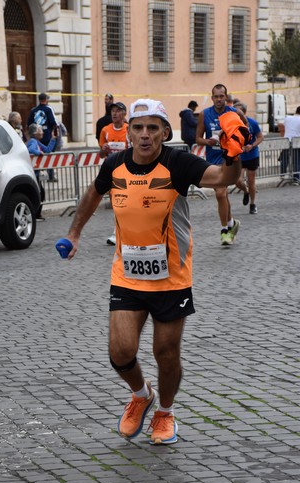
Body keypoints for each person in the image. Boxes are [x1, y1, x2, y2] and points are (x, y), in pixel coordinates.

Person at [59, 98, 248, 445]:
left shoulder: (177, 163)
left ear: (164, 132)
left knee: (166, 352)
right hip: (127, 274)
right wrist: (74, 233)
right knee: (120, 351)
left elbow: (223, 177)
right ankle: (141, 395)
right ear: (128, 131)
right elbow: (92, 193)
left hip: (172, 276)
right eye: (138, 127)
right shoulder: (115, 165)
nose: (145, 135)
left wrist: (233, 155)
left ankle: (165, 411)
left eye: (152, 128)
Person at [196, 83, 247, 246]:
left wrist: (240, 142)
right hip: (213, 159)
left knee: (220, 193)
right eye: (216, 96)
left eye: (221, 96)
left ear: (226, 96)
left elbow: (246, 130)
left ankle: (225, 230)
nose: (219, 99)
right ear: (212, 98)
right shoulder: (205, 114)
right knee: (222, 194)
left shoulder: (235, 112)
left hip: (230, 158)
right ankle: (231, 223)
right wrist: (208, 141)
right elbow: (197, 138)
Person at [98, 101, 129, 246]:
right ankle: (117, 232)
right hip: (112, 172)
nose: (114, 113)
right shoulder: (105, 130)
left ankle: (128, 230)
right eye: (113, 111)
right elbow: (101, 155)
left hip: (129, 171)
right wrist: (104, 149)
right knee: (117, 203)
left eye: (118, 111)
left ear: (124, 114)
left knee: (129, 203)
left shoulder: (129, 130)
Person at [233, 102, 263, 214]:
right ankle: (245, 191)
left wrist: (252, 145)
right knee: (237, 180)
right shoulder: (233, 124)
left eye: (237, 111)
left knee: (251, 181)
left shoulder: (252, 123)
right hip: (239, 156)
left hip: (252, 155)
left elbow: (260, 137)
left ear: (243, 112)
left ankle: (252, 204)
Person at [26, 123, 57, 221]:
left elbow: (47, 150)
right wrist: (38, 153)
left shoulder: (37, 142)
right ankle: (35, 214)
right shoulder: (32, 141)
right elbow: (30, 149)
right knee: (39, 193)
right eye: (40, 130)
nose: (42, 132)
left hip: (37, 174)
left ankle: (37, 214)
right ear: (35, 133)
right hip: (34, 174)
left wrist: (53, 139)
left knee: (41, 193)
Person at [27, 92, 58, 182]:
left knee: (37, 156)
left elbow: (29, 123)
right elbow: (54, 122)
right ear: (46, 100)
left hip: (36, 137)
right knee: (48, 155)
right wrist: (55, 134)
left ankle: (37, 174)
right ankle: (51, 176)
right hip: (47, 135)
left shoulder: (33, 110)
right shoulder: (48, 109)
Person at [281, 106, 300, 182]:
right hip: (296, 142)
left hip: (286, 140)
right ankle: (296, 177)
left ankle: (282, 174)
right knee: (296, 160)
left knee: (285, 159)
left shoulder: (287, 118)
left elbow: (282, 126)